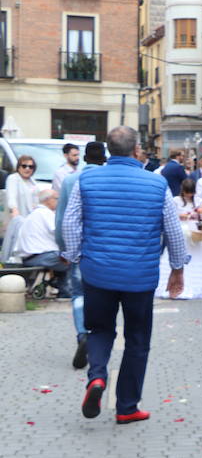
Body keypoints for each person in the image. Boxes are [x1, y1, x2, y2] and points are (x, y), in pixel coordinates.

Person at [60, 126, 187, 424]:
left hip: (98, 272)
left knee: (100, 330)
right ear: (136, 150)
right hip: (139, 276)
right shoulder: (156, 186)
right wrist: (178, 270)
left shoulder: (87, 178)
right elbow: (173, 232)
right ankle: (127, 406)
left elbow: (70, 223)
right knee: (137, 340)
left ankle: (97, 378)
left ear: (108, 150)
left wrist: (76, 256)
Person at [56, 141, 107, 369]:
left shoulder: (69, 181)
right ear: (104, 158)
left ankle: (82, 334)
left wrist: (63, 248)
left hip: (78, 247)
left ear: (84, 158)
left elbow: (62, 220)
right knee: (103, 294)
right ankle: (97, 338)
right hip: (103, 248)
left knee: (79, 294)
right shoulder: (108, 180)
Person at [159, 179, 202, 299]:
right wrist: (180, 215)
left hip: (195, 231)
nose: (190, 195)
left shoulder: (198, 200)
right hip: (182, 231)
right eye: (188, 192)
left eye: (191, 192)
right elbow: (169, 215)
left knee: (199, 255)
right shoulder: (176, 201)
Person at [15, 188, 71, 297]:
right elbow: (59, 232)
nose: (59, 201)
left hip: (32, 256)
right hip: (38, 257)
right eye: (57, 198)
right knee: (72, 258)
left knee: (65, 256)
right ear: (48, 200)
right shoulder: (45, 213)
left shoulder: (37, 213)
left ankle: (63, 289)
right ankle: (66, 289)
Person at [3, 153, 40, 262]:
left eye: (31, 166)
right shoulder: (13, 178)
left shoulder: (33, 182)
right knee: (13, 248)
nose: (27, 169)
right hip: (18, 220)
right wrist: (16, 216)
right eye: (24, 166)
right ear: (18, 167)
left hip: (30, 222)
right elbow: (12, 199)